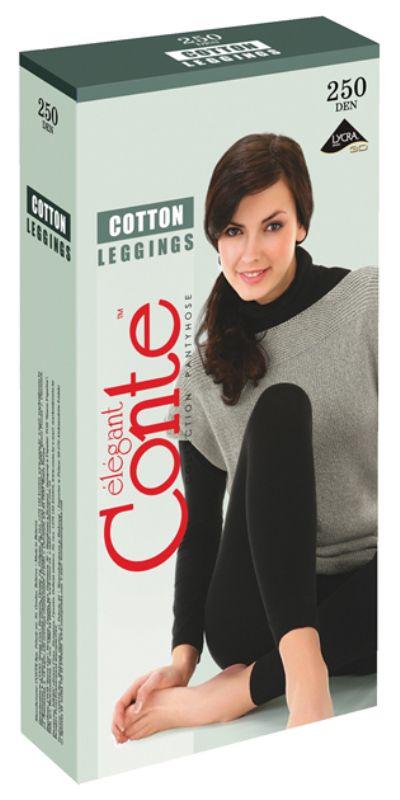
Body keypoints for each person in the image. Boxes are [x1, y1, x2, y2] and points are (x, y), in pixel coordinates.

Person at [111, 133, 378, 742]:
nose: (250, 252)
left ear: (302, 224)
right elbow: (201, 526)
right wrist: (181, 660)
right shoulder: (200, 376)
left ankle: (243, 690)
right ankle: (303, 677)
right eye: (233, 231)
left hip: (369, 592)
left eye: (272, 226)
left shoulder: (368, 302)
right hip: (257, 611)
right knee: (281, 406)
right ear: (216, 238)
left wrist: (217, 688)